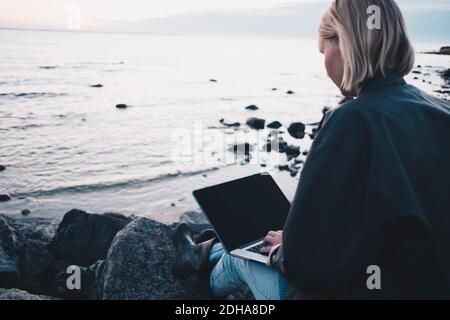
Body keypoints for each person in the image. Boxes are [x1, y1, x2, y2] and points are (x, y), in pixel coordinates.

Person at [172, 0, 450, 300]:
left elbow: (306, 267)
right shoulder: (441, 111)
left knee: (239, 258)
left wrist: (284, 251)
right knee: (274, 238)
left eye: (323, 51)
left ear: (344, 42)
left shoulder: (351, 120)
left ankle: (199, 287)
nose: (325, 63)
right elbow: (390, 220)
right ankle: (205, 250)